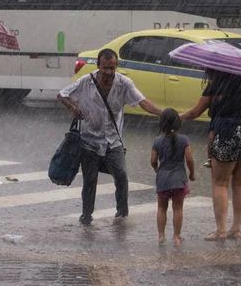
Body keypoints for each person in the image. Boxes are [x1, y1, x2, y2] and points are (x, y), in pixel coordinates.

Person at [57, 49, 162, 225]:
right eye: (105, 68)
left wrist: (166, 114)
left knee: (121, 175)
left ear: (116, 67)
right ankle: (86, 216)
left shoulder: (124, 84)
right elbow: (62, 95)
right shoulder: (85, 82)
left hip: (113, 141)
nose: (108, 72)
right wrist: (73, 108)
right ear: (98, 65)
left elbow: (143, 103)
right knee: (90, 180)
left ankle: (122, 214)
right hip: (89, 141)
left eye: (112, 68)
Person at [179, 69, 241, 241]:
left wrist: (174, 117)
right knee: (240, 183)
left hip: (228, 131)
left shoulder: (217, 85)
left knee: (220, 183)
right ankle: (236, 229)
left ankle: (221, 230)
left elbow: (195, 112)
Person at [151, 108, 195, 246]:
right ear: (178, 123)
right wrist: (192, 173)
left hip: (163, 179)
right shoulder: (184, 140)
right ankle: (176, 237)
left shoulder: (157, 141)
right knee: (178, 209)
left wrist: (156, 168)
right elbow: (189, 159)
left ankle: (161, 236)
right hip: (179, 180)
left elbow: (153, 160)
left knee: (161, 208)